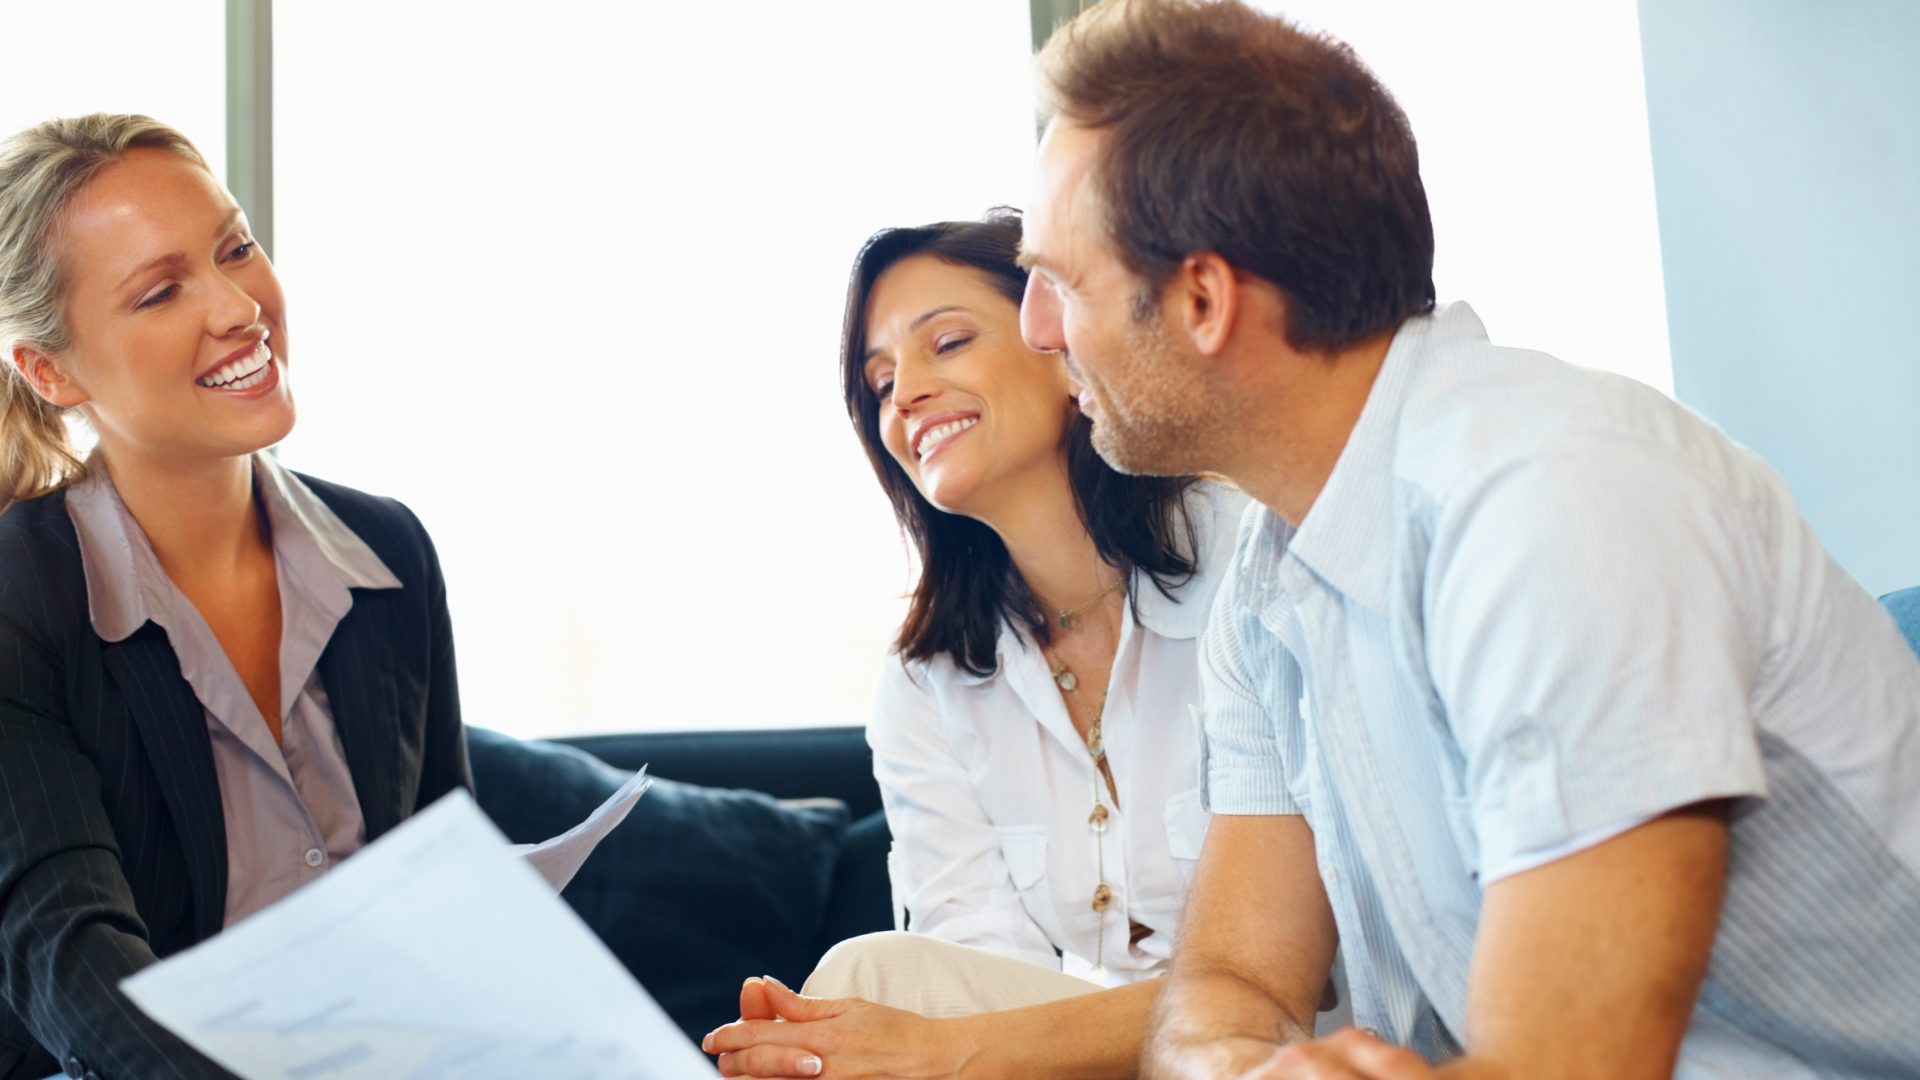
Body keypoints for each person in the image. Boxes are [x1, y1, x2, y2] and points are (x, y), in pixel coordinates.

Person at [1015, 3, 1920, 1079]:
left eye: (1062, 281)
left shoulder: (1551, 505)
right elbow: (1233, 985)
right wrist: (1244, 1070)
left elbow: (1575, 1067)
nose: (1035, 327)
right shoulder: (1267, 590)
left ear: (1204, 297)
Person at [702, 212, 1274, 1079]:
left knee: (865, 979)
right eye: (881, 380)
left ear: (1060, 337)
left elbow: (1292, 976)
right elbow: (976, 970)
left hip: (1285, 1045)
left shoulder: (1250, 563)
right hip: (1100, 1057)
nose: (906, 396)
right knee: (865, 988)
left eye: (949, 342)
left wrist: (940, 1049)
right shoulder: (924, 680)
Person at [0, 115, 468, 1080]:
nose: (237, 305)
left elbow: (449, 886)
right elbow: (70, 959)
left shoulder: (390, 555)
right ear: (51, 372)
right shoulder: (21, 597)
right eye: (162, 291)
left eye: (236, 248)